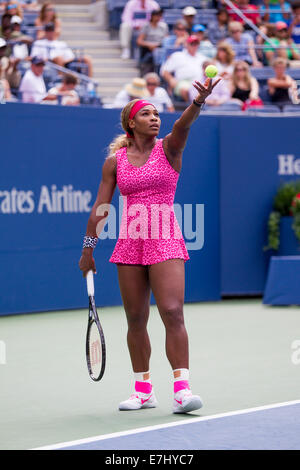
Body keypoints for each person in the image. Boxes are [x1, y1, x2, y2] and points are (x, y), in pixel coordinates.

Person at [79, 76, 221, 414]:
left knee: (172, 311)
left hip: (165, 237)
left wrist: (197, 103)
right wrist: (87, 250)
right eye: (147, 114)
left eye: (158, 114)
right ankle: (143, 390)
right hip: (130, 241)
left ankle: (182, 390)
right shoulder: (115, 162)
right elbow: (101, 207)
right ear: (131, 122)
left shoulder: (169, 147)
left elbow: (184, 125)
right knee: (136, 318)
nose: (156, 118)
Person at [160, 35, 207, 102]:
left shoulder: (202, 58)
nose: (194, 46)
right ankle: (194, 108)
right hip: (182, 82)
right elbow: (164, 70)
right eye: (192, 44)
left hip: (200, 82)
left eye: (196, 44)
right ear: (186, 44)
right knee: (185, 90)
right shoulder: (178, 55)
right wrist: (171, 79)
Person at [136, 9, 168, 75]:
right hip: (148, 50)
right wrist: (149, 45)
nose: (158, 17)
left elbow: (166, 40)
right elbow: (139, 41)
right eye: (156, 15)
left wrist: (157, 46)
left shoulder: (163, 26)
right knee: (149, 58)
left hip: (160, 49)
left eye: (160, 15)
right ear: (152, 16)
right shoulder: (146, 26)